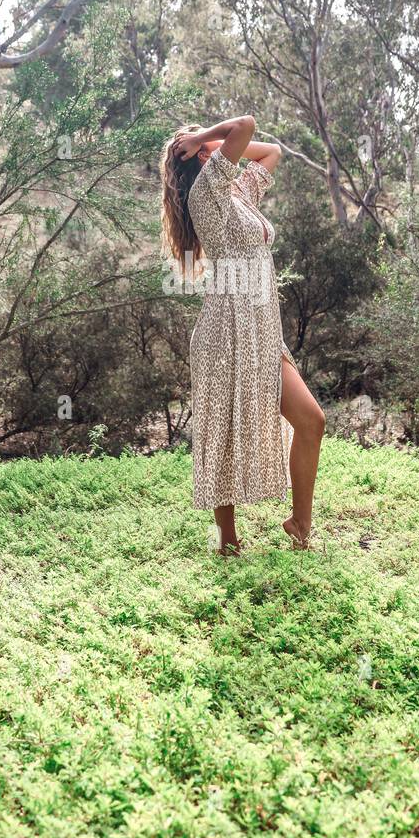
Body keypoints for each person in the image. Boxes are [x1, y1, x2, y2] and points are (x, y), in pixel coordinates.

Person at [159, 115, 325, 553]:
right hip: (225, 330)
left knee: (312, 421)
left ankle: (300, 525)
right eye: (201, 145)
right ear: (195, 160)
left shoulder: (238, 191)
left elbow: (272, 152)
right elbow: (246, 125)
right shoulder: (205, 192)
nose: (212, 144)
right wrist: (202, 138)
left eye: (211, 139)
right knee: (222, 434)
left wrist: (203, 141)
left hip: (263, 330)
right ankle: (227, 541)